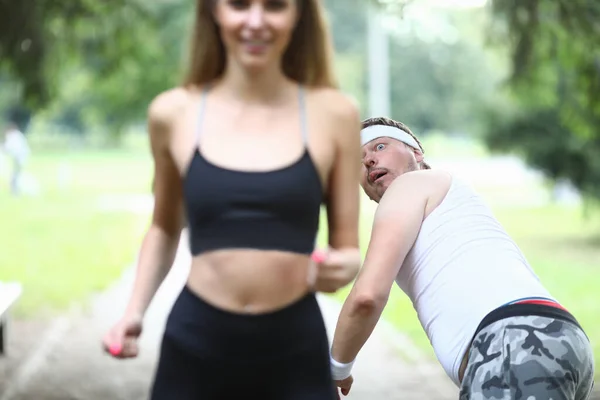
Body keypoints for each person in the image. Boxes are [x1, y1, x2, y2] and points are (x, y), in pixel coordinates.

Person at [101, 1, 362, 399]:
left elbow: (348, 250)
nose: (255, 21)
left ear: (298, 16)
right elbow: (164, 227)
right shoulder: (173, 113)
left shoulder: (335, 114)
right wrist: (133, 313)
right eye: (239, 4)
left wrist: (341, 268)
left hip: (295, 350)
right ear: (213, 12)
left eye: (274, 6)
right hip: (194, 346)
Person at [329, 117, 595, 400]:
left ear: (417, 153)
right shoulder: (447, 198)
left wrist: (335, 369)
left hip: (514, 344)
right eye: (358, 160)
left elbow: (366, 297)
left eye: (379, 146)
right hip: (555, 342)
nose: (369, 160)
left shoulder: (410, 185)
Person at [1, 122, 30, 196]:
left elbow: (9, 147)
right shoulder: (17, 135)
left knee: (15, 176)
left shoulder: (13, 136)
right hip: (19, 158)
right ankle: (15, 192)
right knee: (15, 176)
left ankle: (16, 193)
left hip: (19, 158)